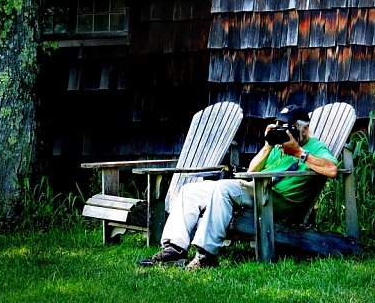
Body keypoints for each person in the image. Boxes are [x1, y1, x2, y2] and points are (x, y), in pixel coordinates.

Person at [138, 102, 339, 269]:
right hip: (257, 190)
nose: (285, 131)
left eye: (290, 127)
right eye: (281, 125)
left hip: (276, 201)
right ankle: (174, 248)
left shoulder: (316, 147)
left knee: (222, 188)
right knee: (189, 191)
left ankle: (206, 255)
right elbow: (252, 170)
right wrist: (268, 146)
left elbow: (332, 170)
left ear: (304, 128)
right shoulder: (279, 145)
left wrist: (299, 153)